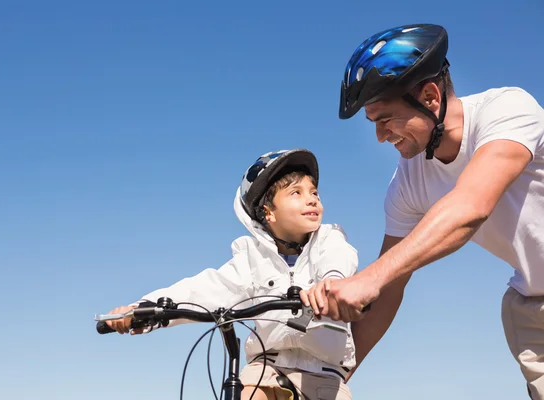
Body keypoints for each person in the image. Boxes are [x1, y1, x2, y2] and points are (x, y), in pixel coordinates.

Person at [301, 23, 544, 398]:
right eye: (373, 124)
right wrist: (330, 378)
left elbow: (470, 206)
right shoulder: (407, 184)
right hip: (532, 306)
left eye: (386, 119)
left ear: (430, 96)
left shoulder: (507, 110)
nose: (380, 136)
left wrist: (371, 278)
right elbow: (388, 291)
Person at [104, 149, 360, 400]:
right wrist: (144, 309)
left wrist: (332, 285)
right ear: (268, 212)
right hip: (267, 369)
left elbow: (338, 261)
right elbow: (206, 289)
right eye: (296, 192)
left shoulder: (328, 240)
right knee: (247, 394)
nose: (312, 199)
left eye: (314, 192)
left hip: (323, 375)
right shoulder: (251, 258)